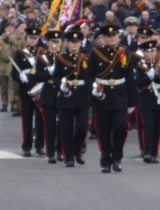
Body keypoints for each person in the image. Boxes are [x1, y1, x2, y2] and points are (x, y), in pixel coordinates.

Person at [86, 26, 134, 172]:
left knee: (120, 127)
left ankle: (117, 158)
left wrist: (132, 102)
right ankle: (105, 160)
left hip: (120, 96)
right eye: (108, 35)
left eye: (114, 35)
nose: (111, 38)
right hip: (102, 96)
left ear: (119, 37)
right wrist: (94, 88)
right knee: (103, 130)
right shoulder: (96, 53)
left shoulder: (125, 53)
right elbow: (89, 74)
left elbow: (130, 78)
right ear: (104, 38)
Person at [50, 25, 92, 168]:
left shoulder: (85, 58)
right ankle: (69, 157)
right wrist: (60, 86)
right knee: (66, 129)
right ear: (67, 43)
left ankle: (76, 149)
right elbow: (56, 76)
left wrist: (89, 87)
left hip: (81, 96)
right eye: (72, 42)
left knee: (82, 127)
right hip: (65, 96)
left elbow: (89, 77)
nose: (75, 44)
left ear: (81, 43)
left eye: (77, 42)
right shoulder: (61, 58)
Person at [132, 34, 160, 164]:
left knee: (157, 127)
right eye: (148, 51)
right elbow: (137, 82)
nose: (151, 53)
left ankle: (154, 153)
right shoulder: (141, 65)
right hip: (146, 99)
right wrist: (148, 77)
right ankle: (146, 151)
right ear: (144, 53)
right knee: (149, 125)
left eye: (153, 51)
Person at [11, 29, 50, 156]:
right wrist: (20, 77)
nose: (33, 40)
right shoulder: (20, 54)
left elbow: (46, 72)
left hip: (39, 89)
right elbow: (14, 72)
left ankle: (40, 146)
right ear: (26, 38)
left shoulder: (43, 54)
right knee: (26, 119)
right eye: (31, 38)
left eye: (35, 38)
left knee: (41, 120)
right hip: (26, 89)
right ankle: (26, 146)